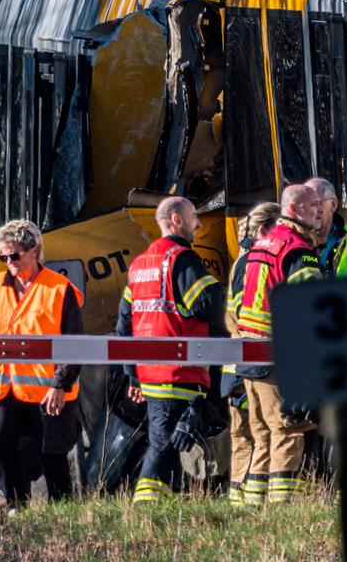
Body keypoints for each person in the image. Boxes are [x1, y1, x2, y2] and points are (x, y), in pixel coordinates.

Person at [0, 219, 84, 505]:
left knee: (52, 455)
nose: (9, 262)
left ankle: (64, 514)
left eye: (15, 255)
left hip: (48, 392)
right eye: (4, 257)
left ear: (35, 250)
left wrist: (59, 384)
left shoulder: (60, 289)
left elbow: (74, 345)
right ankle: (16, 505)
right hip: (1, 391)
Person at [117, 196, 226, 503]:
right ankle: (146, 508)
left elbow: (123, 326)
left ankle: (166, 504)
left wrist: (132, 375)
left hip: (151, 375)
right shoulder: (182, 260)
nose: (199, 223)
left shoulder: (139, 265)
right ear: (177, 220)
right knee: (164, 445)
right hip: (179, 371)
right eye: (194, 217)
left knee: (171, 442)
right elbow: (208, 304)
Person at [231, 182, 326, 501]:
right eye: (314, 205)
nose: (321, 210)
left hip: (249, 353)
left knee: (262, 436)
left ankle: (253, 510)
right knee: (288, 431)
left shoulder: (263, 245)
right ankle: (283, 511)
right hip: (278, 356)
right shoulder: (297, 249)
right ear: (295, 209)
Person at [224, 202, 280, 506]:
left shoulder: (240, 261)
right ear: (264, 229)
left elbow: (232, 317)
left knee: (244, 437)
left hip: (236, 364)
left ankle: (240, 502)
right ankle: (256, 501)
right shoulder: (257, 262)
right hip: (254, 362)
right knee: (263, 434)